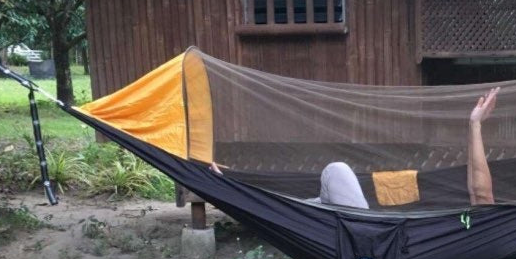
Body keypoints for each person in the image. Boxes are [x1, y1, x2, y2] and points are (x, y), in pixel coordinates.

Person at [210, 86, 501, 208]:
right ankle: (243, 190)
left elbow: (482, 194)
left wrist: (475, 124)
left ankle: (245, 193)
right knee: (315, 203)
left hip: (368, 234)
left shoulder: (479, 229)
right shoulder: (471, 230)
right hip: (368, 231)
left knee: (336, 172)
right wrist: (472, 125)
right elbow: (477, 193)